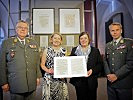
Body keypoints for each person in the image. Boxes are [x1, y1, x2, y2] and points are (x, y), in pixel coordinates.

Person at [0, 20, 42, 100]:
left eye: (25, 28)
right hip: (16, 83)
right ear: (16, 29)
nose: (23, 30)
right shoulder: (7, 43)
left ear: (28, 30)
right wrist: (3, 82)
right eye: (20, 27)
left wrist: (38, 76)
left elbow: (37, 62)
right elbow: (2, 64)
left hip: (31, 82)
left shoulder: (33, 43)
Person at [69, 32, 103, 100]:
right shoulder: (74, 50)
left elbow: (100, 65)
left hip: (91, 80)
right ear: (79, 40)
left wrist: (92, 71)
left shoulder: (95, 51)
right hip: (79, 81)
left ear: (88, 39)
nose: (83, 40)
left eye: (85, 38)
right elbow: (71, 63)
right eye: (81, 38)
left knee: (92, 98)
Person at [104, 22, 133, 100]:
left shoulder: (129, 43)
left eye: (117, 30)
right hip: (111, 83)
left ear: (121, 30)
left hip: (124, 83)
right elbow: (105, 61)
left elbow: (130, 63)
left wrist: (116, 75)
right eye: (112, 30)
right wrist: (109, 75)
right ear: (110, 32)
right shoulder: (108, 45)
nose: (115, 32)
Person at [41, 33, 69, 100]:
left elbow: (67, 65)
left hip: (61, 80)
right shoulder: (46, 50)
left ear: (61, 41)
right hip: (49, 79)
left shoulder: (64, 51)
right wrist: (48, 70)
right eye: (55, 38)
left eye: (59, 38)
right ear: (51, 40)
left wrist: (65, 73)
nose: (57, 40)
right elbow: (42, 65)